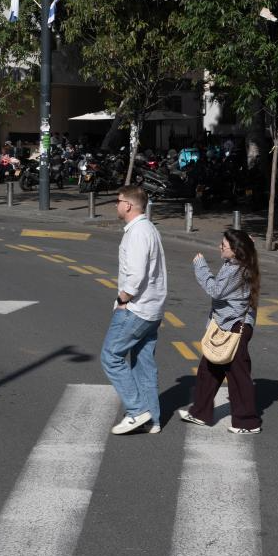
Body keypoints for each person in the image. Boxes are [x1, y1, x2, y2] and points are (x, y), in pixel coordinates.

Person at [179, 230, 262, 434]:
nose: (220, 247)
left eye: (223, 245)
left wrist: (200, 266)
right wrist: (247, 242)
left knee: (238, 377)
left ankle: (248, 422)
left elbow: (215, 290)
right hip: (227, 325)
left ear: (235, 250)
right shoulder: (237, 263)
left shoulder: (236, 269)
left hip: (235, 328)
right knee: (209, 369)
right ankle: (200, 412)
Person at [101, 185, 168, 434]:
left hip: (136, 308)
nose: (116, 205)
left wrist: (123, 298)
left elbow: (137, 274)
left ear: (128, 205)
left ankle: (137, 411)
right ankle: (152, 419)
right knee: (143, 364)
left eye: (118, 201)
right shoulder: (148, 228)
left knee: (111, 357)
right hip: (151, 309)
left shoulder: (138, 232)